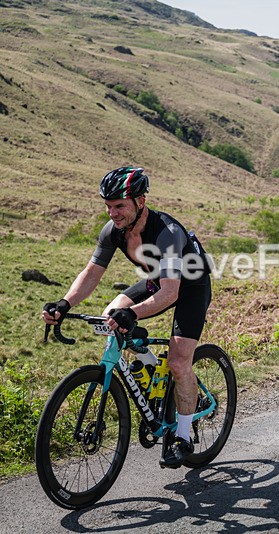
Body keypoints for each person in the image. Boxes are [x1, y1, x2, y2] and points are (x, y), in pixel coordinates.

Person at [41, 166, 212, 469]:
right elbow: (92, 273)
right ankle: (147, 363)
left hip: (189, 287)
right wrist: (65, 303)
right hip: (157, 281)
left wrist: (132, 312)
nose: (112, 213)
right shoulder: (114, 231)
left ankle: (183, 436)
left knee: (178, 362)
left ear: (140, 201)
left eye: (119, 205)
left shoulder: (167, 233)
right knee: (110, 317)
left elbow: (172, 293)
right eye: (107, 206)